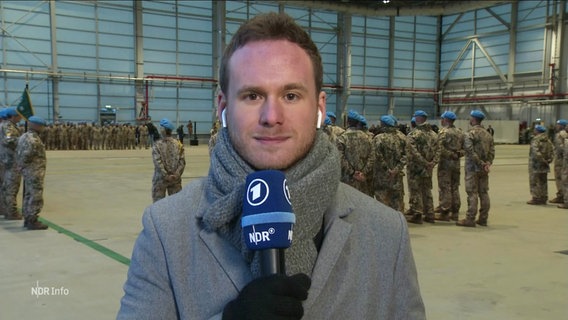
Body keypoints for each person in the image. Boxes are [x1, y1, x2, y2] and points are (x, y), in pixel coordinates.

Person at [118, 12, 425, 319]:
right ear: (223, 107)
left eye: (291, 95)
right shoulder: (165, 230)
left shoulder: (387, 233)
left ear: (319, 108)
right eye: (252, 95)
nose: (271, 116)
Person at [457, 110, 495, 227]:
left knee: (472, 193)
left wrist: (480, 163)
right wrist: (487, 163)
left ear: (473, 119)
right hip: (484, 169)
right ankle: (483, 218)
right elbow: (492, 151)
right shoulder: (488, 134)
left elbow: (469, 150)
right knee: (483, 192)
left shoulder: (469, 134)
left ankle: (470, 218)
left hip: (473, 168)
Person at [405, 110, 439, 224]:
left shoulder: (413, 134)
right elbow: (439, 150)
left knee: (415, 190)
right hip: (428, 168)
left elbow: (413, 151)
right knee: (427, 190)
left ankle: (417, 213)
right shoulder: (434, 134)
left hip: (415, 167)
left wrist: (424, 162)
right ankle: (430, 214)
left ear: (418, 119)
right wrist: (432, 163)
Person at [16, 116, 49, 230]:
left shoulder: (24, 136)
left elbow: (19, 152)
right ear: (37, 126)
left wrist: (20, 165)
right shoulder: (33, 139)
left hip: (28, 171)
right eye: (42, 126)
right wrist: (22, 164)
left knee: (28, 194)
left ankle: (28, 218)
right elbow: (27, 154)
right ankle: (32, 220)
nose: (43, 128)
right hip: (34, 171)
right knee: (35, 195)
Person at [434, 111, 465, 221]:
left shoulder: (443, 132)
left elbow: (439, 148)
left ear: (446, 120)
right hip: (456, 164)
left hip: (445, 164)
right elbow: (465, 148)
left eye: (442, 119)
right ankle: (455, 211)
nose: (441, 121)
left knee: (445, 187)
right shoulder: (460, 132)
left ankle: (445, 211)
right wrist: (457, 155)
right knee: (454, 187)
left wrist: (450, 154)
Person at [336, 110, 375, 197]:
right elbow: (372, 157)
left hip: (347, 180)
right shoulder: (368, 138)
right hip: (363, 179)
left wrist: (352, 173)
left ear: (348, 122)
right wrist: (362, 173)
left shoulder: (342, 138)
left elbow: (340, 158)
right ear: (358, 122)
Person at [372, 114, 407, 212]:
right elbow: (406, 156)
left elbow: (377, 157)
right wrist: (396, 170)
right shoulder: (402, 137)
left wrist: (387, 169)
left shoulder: (379, 138)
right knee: (397, 200)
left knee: (382, 199)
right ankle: (398, 222)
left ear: (383, 124)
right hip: (397, 176)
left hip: (382, 176)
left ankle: (384, 222)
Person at [151, 118, 186, 202]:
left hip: (160, 180)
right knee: (175, 204)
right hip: (175, 180)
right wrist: (176, 175)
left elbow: (158, 163)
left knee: (158, 206)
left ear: (163, 130)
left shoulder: (157, 145)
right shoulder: (179, 144)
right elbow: (182, 162)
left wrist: (166, 175)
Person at [0, 107, 23, 220]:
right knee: (11, 187)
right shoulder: (8, 127)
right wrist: (23, 141)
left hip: (6, 160)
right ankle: (11, 212)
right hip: (10, 161)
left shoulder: (7, 126)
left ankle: (4, 208)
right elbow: (8, 140)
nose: (20, 118)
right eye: (18, 116)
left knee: (6, 186)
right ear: (13, 116)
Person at [526, 125, 554, 205]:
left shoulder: (536, 139)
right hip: (545, 165)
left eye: (534, 129)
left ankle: (536, 198)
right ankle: (544, 197)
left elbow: (535, 152)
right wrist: (548, 160)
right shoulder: (548, 140)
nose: (533, 131)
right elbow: (552, 150)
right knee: (543, 181)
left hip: (536, 164)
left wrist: (541, 160)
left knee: (534, 181)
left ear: (537, 131)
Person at [550, 119, 568, 203]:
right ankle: (561, 195)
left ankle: (562, 196)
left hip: (561, 160)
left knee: (561, 178)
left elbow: (562, 148)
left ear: (562, 126)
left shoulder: (561, 135)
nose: (556, 126)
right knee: (560, 178)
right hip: (560, 158)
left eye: (558, 124)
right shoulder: (561, 134)